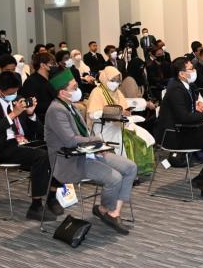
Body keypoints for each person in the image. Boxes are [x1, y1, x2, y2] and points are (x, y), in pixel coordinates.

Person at [45, 69, 136, 232]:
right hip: (71, 160)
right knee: (115, 178)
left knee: (130, 167)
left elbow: (83, 134)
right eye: (74, 87)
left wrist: (97, 146)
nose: (78, 90)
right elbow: (70, 141)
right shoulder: (56, 110)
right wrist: (96, 140)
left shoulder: (70, 106)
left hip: (88, 152)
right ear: (63, 92)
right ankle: (106, 211)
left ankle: (112, 212)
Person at [0, 71, 58, 220]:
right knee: (41, 156)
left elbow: (39, 131)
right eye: (10, 93)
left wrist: (31, 114)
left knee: (56, 149)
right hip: (2, 146)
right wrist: (12, 114)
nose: (14, 95)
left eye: (16, 92)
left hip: (24, 142)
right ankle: (36, 206)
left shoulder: (19, 99)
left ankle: (52, 196)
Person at [154, 57, 203, 202]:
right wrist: (201, 116)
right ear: (181, 73)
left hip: (187, 129)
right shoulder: (175, 90)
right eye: (191, 69)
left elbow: (187, 110)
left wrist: (197, 107)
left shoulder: (186, 86)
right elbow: (183, 117)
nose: (194, 71)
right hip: (175, 135)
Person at [87, 66, 156, 176]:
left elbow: (124, 107)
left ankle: (140, 170)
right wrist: (115, 112)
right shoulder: (97, 92)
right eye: (112, 80)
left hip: (120, 123)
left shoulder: (117, 92)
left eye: (118, 81)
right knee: (127, 141)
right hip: (104, 126)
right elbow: (93, 114)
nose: (115, 83)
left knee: (143, 136)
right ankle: (126, 171)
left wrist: (126, 111)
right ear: (105, 78)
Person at [21, 52, 58, 123]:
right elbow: (33, 105)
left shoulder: (52, 78)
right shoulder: (31, 81)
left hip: (55, 114)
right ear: (43, 65)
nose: (55, 66)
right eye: (52, 63)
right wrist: (56, 105)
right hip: (42, 119)